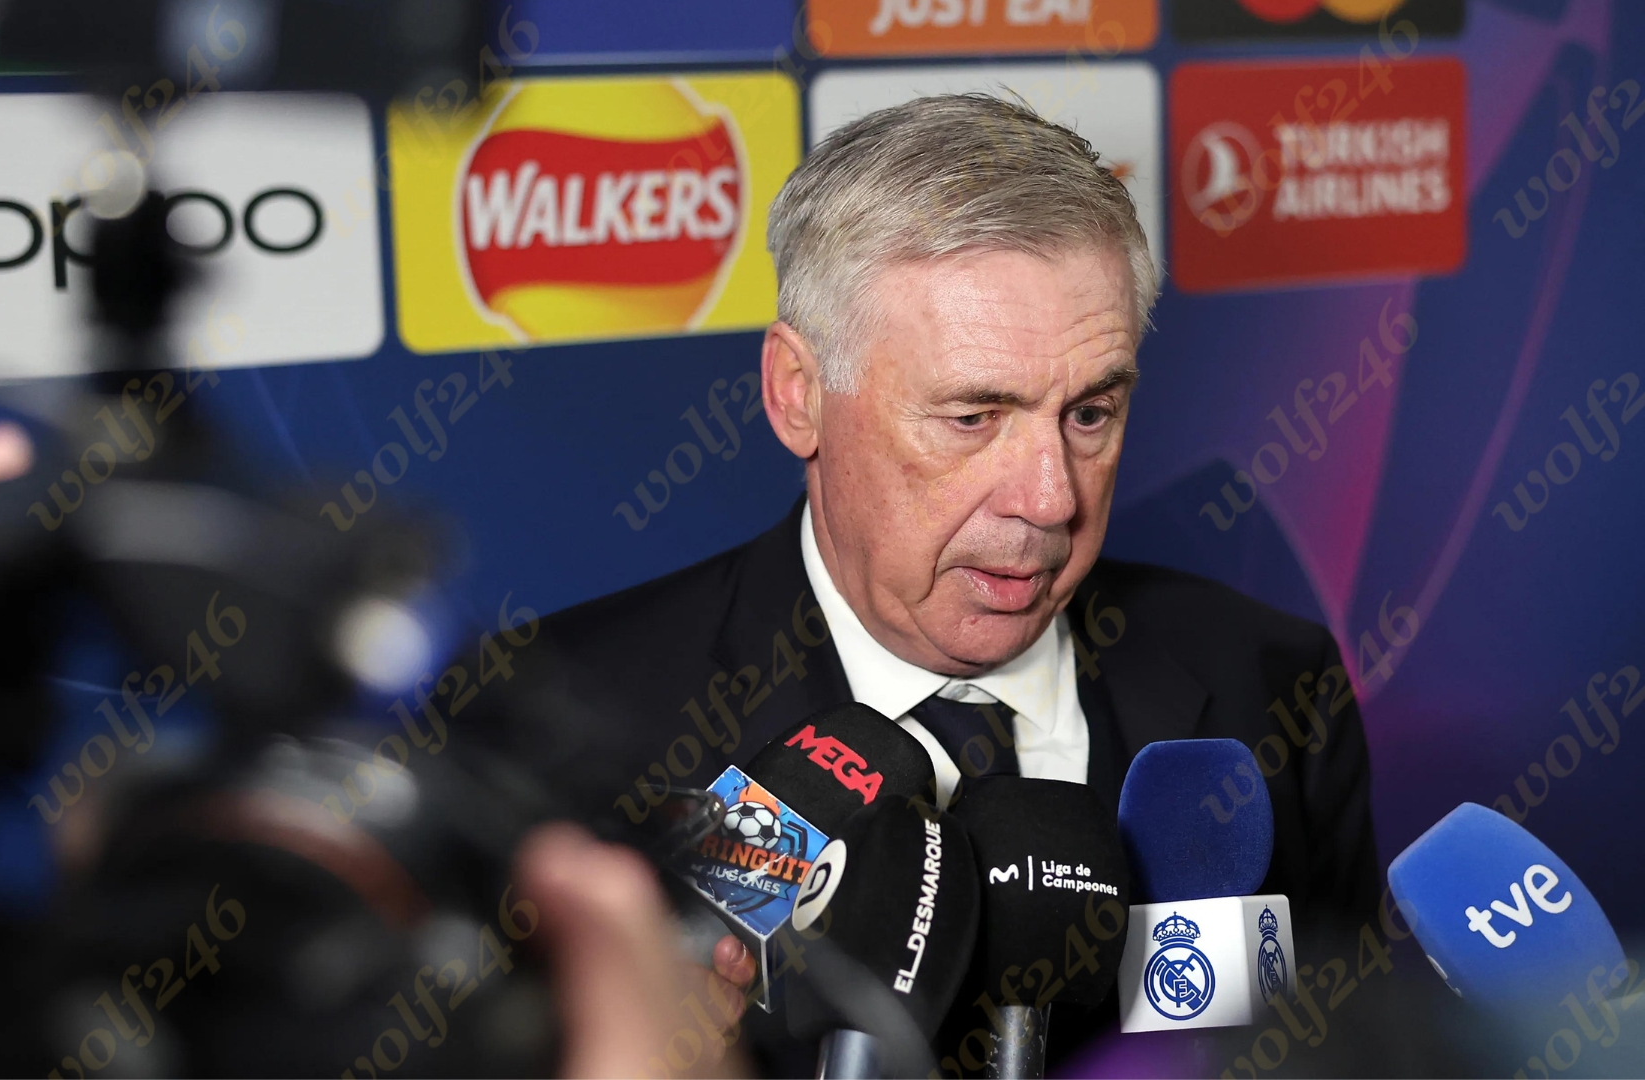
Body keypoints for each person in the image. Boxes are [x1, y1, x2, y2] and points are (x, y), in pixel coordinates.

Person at [465, 93, 1381, 1073]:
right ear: (799, 395)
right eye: (972, 418)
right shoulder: (553, 724)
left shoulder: (1270, 684)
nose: (1049, 500)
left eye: (1089, 413)